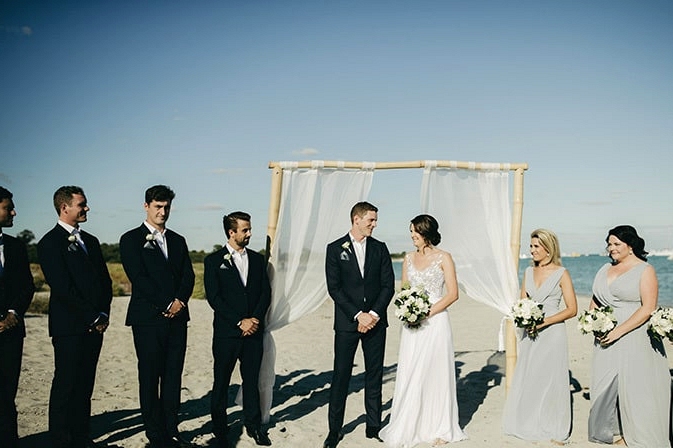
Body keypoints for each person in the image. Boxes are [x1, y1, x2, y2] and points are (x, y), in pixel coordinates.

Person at [379, 214, 467, 447]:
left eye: (415, 233)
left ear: (426, 233)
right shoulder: (408, 258)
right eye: (411, 233)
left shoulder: (444, 258)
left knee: (435, 371)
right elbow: (404, 290)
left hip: (435, 322)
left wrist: (426, 313)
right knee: (411, 370)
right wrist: (408, 310)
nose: (412, 237)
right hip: (411, 325)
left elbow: (452, 294)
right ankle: (411, 423)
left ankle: (439, 427)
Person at [119, 185, 195, 448]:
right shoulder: (130, 239)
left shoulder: (178, 240)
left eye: (166, 207)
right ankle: (154, 433)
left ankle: (171, 429)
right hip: (147, 319)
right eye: (158, 207)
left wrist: (180, 302)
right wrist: (165, 303)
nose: (163, 212)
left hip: (177, 318)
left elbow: (188, 275)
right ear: (146, 206)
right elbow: (138, 277)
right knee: (150, 376)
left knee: (173, 375)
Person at [37, 186, 112, 448]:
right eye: (82, 204)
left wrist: (104, 314)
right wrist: (91, 316)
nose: (87, 208)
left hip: (95, 326)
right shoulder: (49, 243)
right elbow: (62, 287)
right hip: (68, 326)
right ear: (64, 207)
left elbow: (105, 281)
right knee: (66, 383)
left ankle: (81, 437)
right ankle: (59, 439)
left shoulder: (90, 241)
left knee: (85, 385)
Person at [587, 225, 670, 447]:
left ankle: (634, 436)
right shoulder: (604, 269)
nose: (611, 248)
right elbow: (595, 300)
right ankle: (617, 430)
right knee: (605, 384)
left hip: (635, 335)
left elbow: (648, 308)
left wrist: (618, 332)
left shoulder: (645, 270)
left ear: (630, 246)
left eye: (616, 244)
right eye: (609, 244)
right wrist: (592, 322)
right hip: (605, 337)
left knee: (635, 387)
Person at [323, 201, 395, 448]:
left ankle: (373, 426)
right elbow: (335, 288)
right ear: (356, 219)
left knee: (374, 374)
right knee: (341, 375)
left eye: (375, 220)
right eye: (370, 220)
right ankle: (334, 430)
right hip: (347, 323)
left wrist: (373, 314)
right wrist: (358, 315)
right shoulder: (334, 249)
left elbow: (388, 285)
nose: (374, 225)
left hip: (376, 322)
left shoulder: (380, 248)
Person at [502, 228, 577, 443]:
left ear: (548, 249)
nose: (532, 250)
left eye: (536, 246)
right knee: (531, 375)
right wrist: (523, 317)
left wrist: (544, 322)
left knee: (552, 377)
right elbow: (522, 301)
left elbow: (572, 309)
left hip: (553, 332)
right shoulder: (528, 272)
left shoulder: (561, 273)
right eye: (531, 246)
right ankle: (530, 421)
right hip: (531, 331)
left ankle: (553, 425)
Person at [204, 212, 272, 448]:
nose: (249, 233)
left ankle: (254, 426)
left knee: (251, 380)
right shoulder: (213, 261)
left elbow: (265, 293)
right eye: (245, 230)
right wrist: (238, 321)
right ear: (231, 232)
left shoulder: (257, 259)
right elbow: (214, 298)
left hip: (253, 331)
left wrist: (253, 319)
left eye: (249, 228)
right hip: (227, 333)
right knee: (221, 380)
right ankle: (220, 429)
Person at [0, 187, 35, 448]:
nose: (14, 212)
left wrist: (13, 313)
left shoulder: (16, 246)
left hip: (11, 331)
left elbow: (26, 285)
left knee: (7, 392)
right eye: (8, 207)